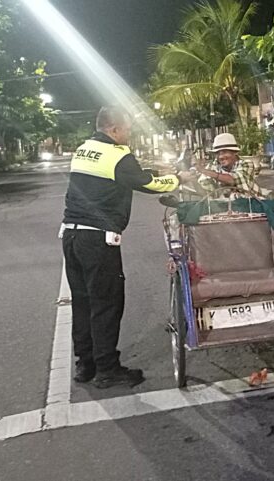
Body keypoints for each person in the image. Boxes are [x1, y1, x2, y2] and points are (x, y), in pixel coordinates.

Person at [61, 106, 192, 388]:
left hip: (71, 236)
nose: (130, 134)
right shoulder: (117, 155)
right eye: (128, 129)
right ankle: (108, 369)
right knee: (106, 303)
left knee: (83, 303)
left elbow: (124, 174)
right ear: (114, 129)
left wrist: (157, 169)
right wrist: (178, 179)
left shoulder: (84, 149)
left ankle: (86, 364)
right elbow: (148, 184)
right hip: (97, 241)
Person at [195, 132, 263, 198]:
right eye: (218, 153)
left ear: (235, 152)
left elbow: (232, 180)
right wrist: (192, 179)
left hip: (252, 204)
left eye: (224, 152)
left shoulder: (246, 163)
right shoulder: (214, 165)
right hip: (228, 206)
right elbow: (205, 187)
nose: (221, 157)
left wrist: (205, 171)